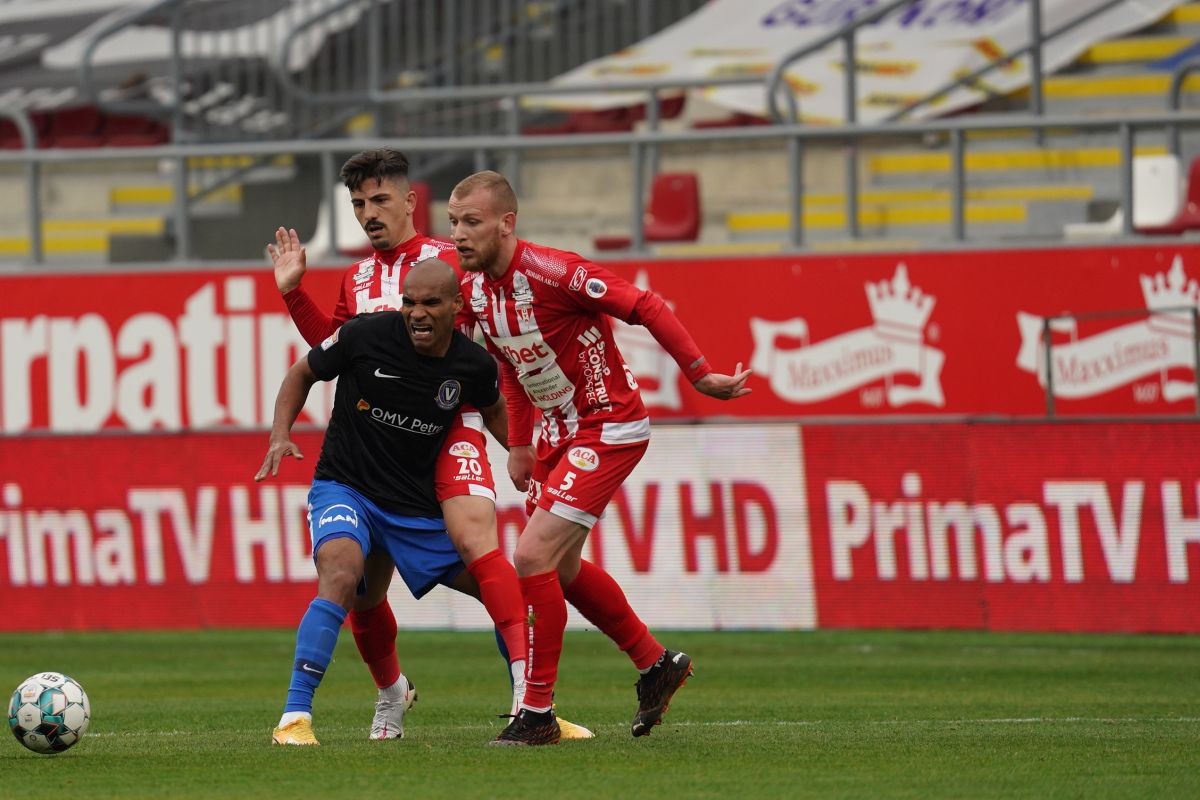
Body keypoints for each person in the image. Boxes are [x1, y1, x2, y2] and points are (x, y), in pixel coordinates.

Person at [267, 149, 591, 741]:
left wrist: (526, 442)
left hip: (453, 419)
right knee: (363, 586)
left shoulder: (452, 257)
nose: (369, 213)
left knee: (478, 545)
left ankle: (532, 703)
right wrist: (293, 294)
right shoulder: (357, 278)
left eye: (380, 200)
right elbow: (335, 349)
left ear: (411, 201)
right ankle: (390, 693)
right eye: (359, 204)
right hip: (381, 443)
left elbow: (501, 323)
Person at [448, 171, 752, 746]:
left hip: (609, 424)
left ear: (507, 224)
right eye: (453, 223)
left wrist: (699, 373)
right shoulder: (477, 291)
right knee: (559, 569)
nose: (459, 234)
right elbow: (513, 362)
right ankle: (656, 664)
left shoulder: (554, 271)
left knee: (531, 555)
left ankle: (537, 712)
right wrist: (520, 442)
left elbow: (645, 304)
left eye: (472, 222)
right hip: (558, 434)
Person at [260, 259, 517, 746]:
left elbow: (495, 410)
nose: (416, 313)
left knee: (502, 588)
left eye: (430, 303)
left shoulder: (473, 365)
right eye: (408, 302)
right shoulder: (366, 334)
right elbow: (301, 373)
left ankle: (534, 708)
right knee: (341, 573)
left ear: (456, 306)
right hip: (345, 486)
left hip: (413, 507)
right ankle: (294, 717)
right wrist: (280, 434)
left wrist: (529, 463)